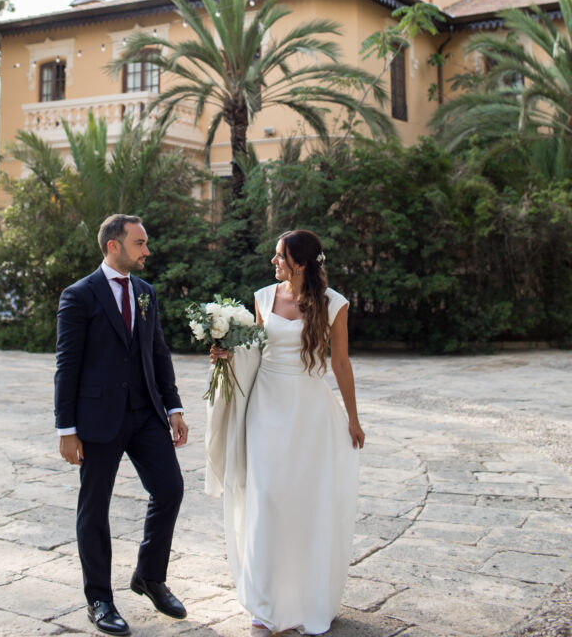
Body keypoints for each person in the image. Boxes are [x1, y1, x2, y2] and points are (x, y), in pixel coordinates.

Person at [210, 229, 364, 635]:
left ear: (301, 262)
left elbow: (341, 363)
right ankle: (265, 603)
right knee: (267, 498)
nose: (274, 261)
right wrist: (226, 354)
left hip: (310, 412)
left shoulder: (334, 304)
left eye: (280, 256)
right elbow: (254, 352)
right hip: (266, 407)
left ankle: (307, 597)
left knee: (306, 503)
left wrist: (352, 418)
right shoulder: (263, 298)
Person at [55, 213, 188, 636]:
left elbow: (158, 353)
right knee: (95, 507)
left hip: (146, 413)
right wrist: (66, 429)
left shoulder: (146, 293)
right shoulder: (79, 295)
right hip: (98, 418)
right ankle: (99, 599)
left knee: (170, 489)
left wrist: (173, 406)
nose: (147, 250)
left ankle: (149, 576)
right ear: (114, 245)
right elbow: (67, 364)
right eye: (139, 243)